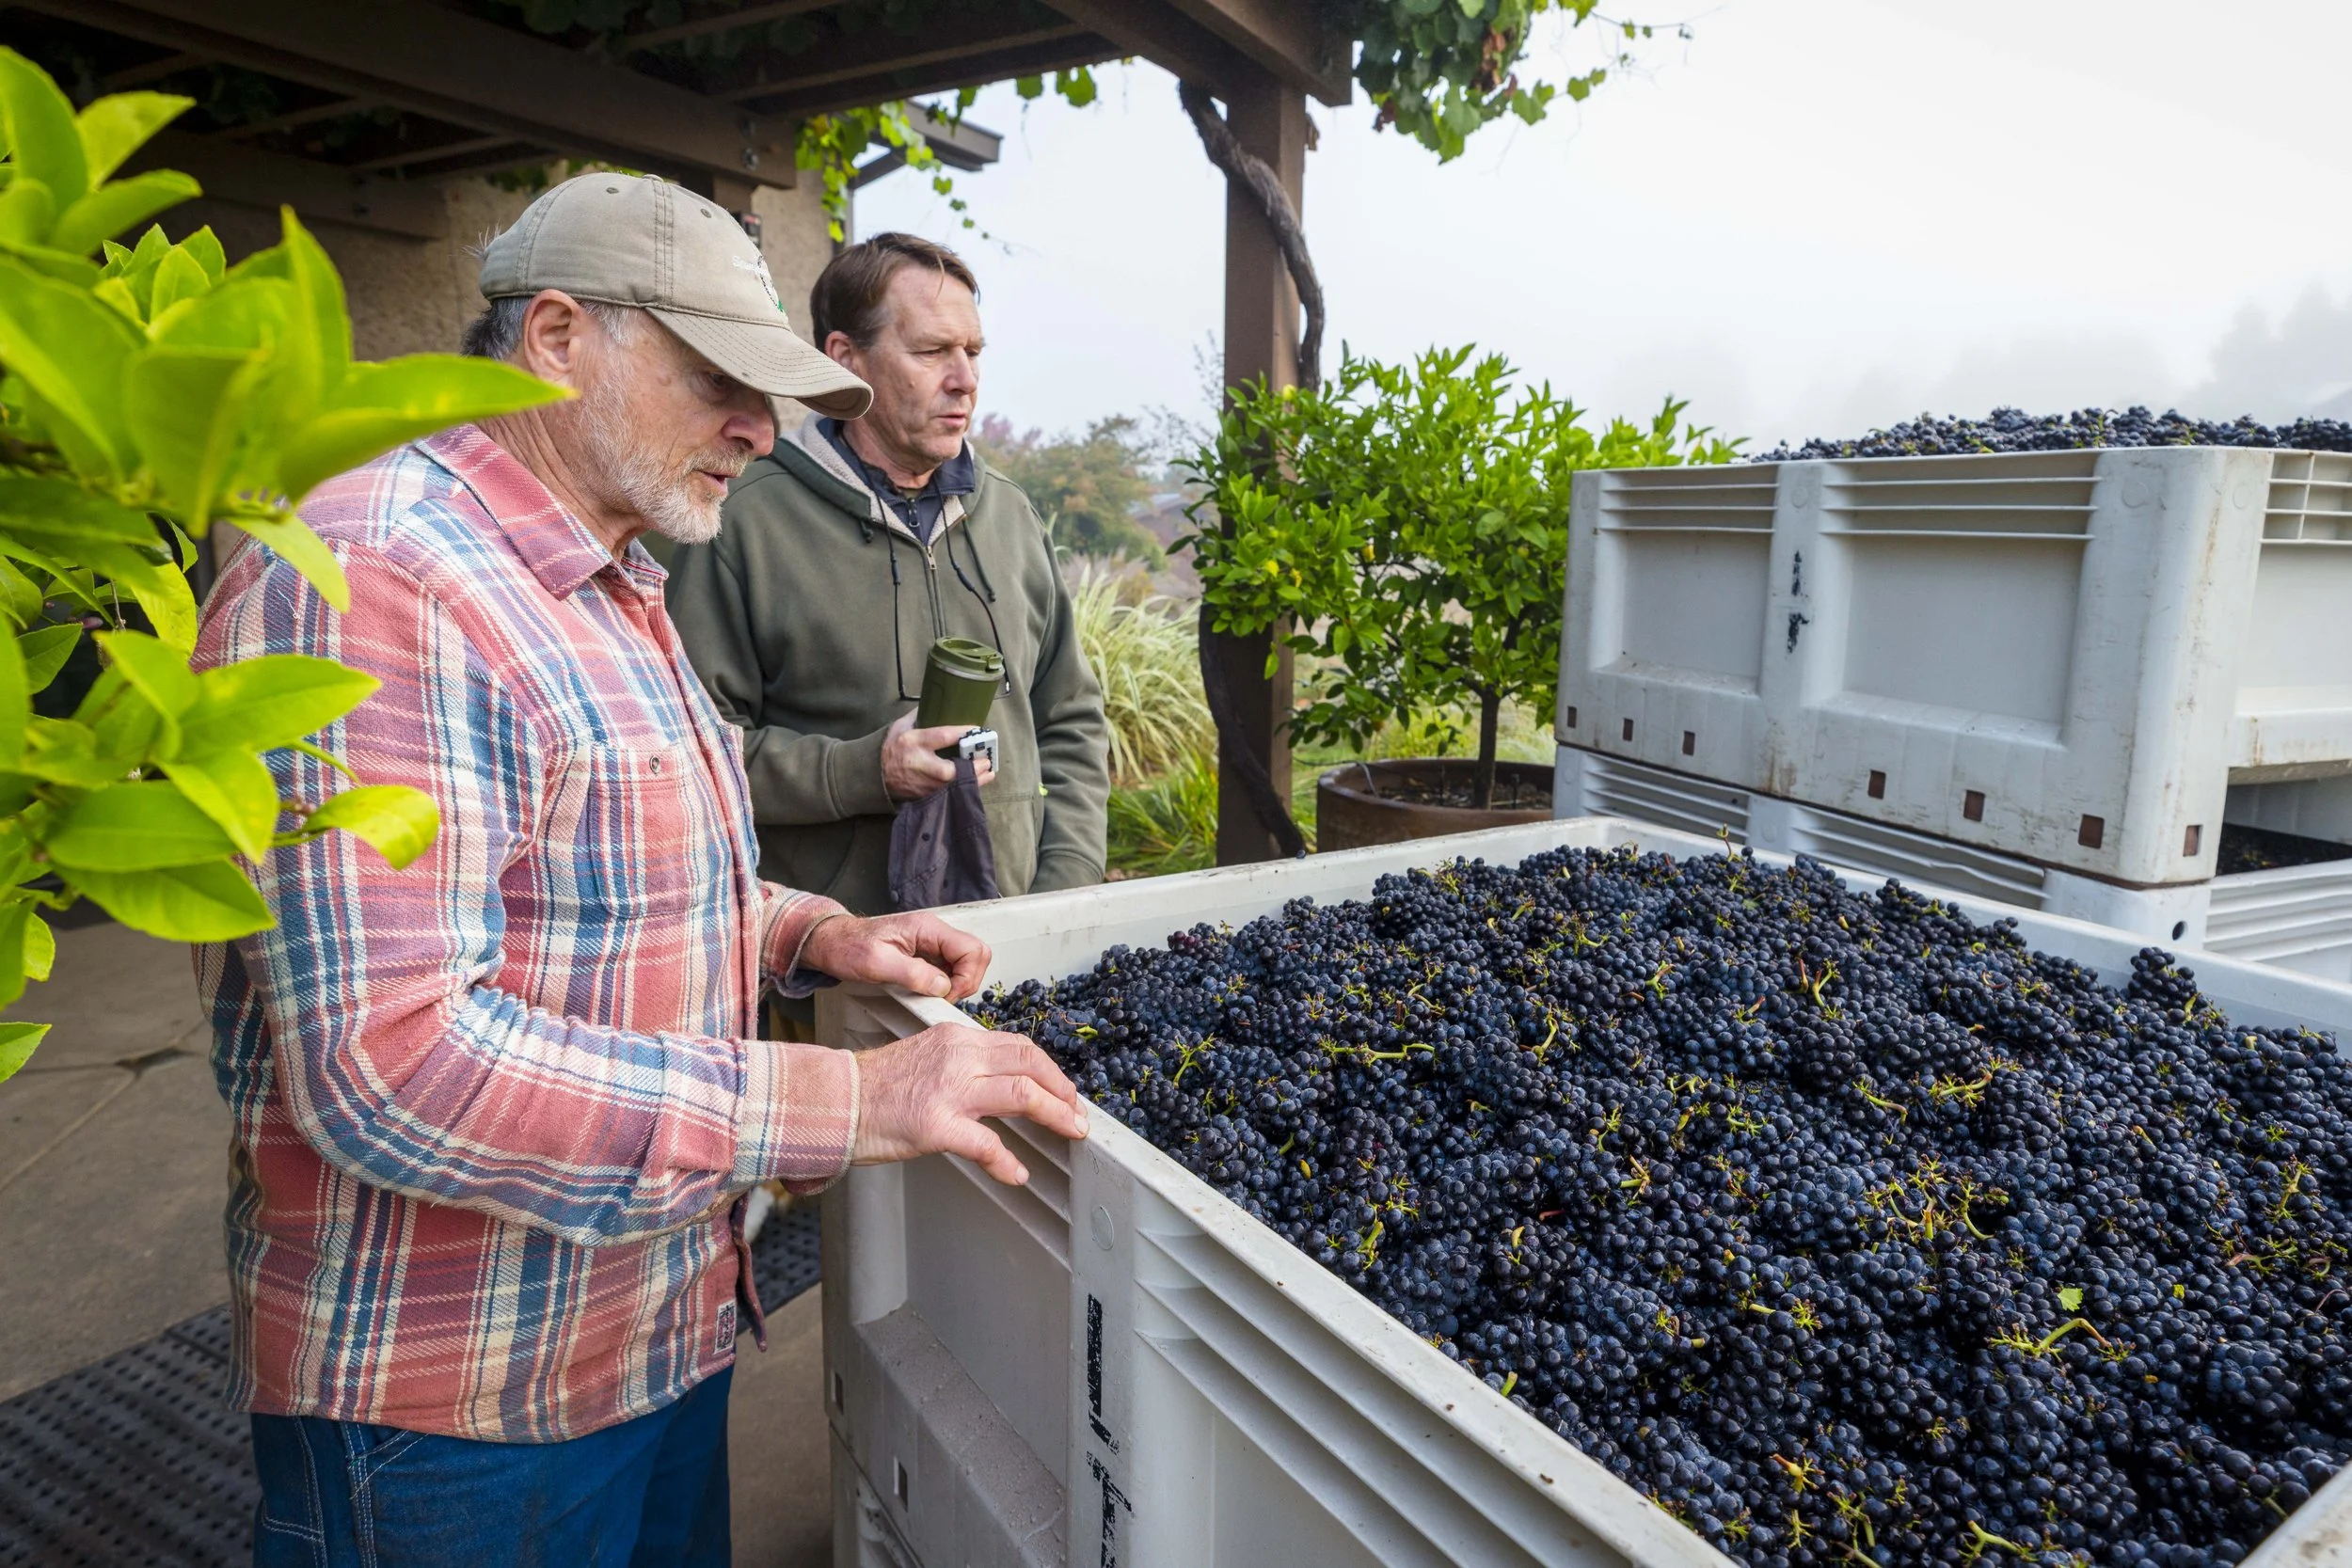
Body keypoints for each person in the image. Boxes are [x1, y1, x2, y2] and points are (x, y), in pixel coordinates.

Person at [192, 173, 1087, 1568]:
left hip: (654, 1330)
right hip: (465, 1411)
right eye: (722, 379)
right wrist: (845, 1094)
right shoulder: (379, 580)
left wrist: (811, 932)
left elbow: (609, 869)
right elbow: (395, 1065)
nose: (760, 427)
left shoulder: (608, 569)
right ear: (556, 336)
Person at [663, 233, 1110, 921]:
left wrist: (1065, 892)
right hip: (832, 968)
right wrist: (865, 772)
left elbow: (1071, 719)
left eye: (973, 352)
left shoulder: (1012, 517)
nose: (964, 378)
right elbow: (686, 757)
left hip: (1013, 940)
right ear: (845, 359)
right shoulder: (740, 521)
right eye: (933, 351)